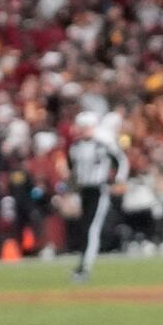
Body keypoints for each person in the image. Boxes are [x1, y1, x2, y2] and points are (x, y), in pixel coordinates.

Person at [66, 111, 128, 280]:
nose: (84, 130)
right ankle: (83, 264)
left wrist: (118, 180)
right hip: (83, 190)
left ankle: (84, 267)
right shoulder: (75, 147)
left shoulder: (103, 144)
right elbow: (73, 172)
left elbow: (121, 160)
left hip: (99, 189)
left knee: (91, 228)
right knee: (84, 228)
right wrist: (71, 192)